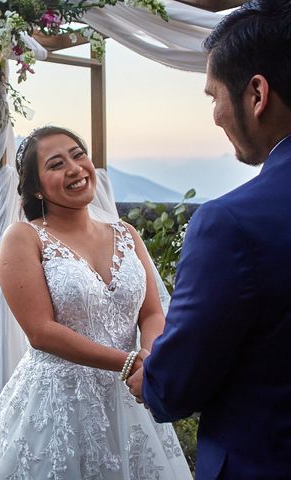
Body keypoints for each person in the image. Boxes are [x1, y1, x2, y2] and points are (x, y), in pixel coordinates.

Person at [126, 0, 291, 477]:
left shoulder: (231, 224)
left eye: (213, 95)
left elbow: (177, 386)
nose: (216, 115)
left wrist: (150, 377)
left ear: (256, 94)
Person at [0, 126, 191, 479]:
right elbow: (41, 332)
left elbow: (151, 311)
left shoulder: (125, 233)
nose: (75, 168)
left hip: (129, 393)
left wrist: (149, 359)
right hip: (60, 401)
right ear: (37, 187)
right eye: (56, 164)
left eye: (78, 154)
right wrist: (129, 362)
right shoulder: (25, 238)